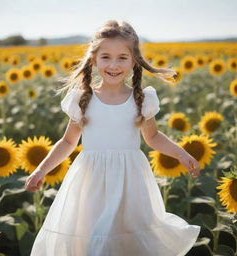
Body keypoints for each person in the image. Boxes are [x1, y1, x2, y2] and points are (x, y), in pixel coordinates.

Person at [25, 19, 201, 256]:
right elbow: (68, 142)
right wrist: (41, 170)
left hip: (130, 183)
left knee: (128, 241)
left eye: (122, 57)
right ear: (94, 59)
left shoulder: (141, 99)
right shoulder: (83, 100)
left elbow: (153, 137)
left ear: (133, 60)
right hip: (90, 184)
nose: (114, 65)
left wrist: (181, 153)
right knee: (93, 240)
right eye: (106, 56)